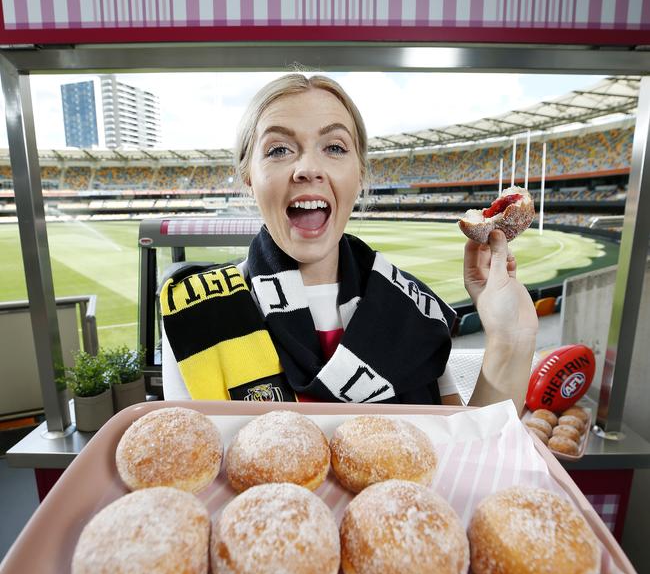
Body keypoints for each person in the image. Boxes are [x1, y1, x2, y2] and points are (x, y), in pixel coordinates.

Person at [161, 73, 538, 411]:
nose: (308, 168)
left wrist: (510, 339)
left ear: (359, 174)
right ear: (248, 176)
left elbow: (462, 452)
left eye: (335, 147)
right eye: (278, 150)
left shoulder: (409, 309)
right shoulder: (196, 317)